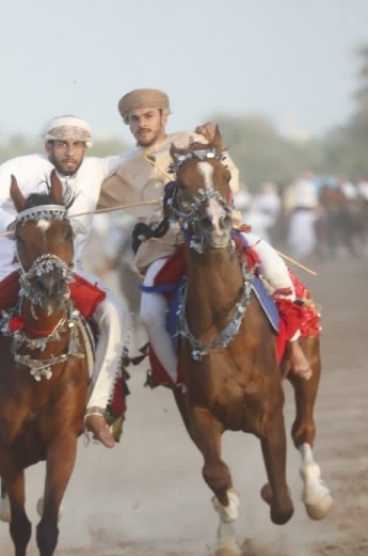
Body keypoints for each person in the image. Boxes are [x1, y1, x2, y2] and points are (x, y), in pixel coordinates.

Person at [99, 89, 312, 384]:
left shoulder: (193, 141)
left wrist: (218, 148)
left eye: (148, 116)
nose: (142, 124)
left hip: (219, 233)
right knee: (148, 314)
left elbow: (229, 178)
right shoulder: (121, 169)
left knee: (273, 266)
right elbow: (90, 200)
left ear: (164, 116)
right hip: (166, 249)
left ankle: (294, 346)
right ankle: (178, 379)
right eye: (134, 119)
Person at [0, 115, 127, 466]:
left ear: (86, 148)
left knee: (115, 314)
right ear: (48, 146)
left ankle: (94, 409)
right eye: (61, 143)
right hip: (11, 269)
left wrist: (182, 141)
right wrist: (15, 225)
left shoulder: (97, 169)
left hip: (69, 273)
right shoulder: (23, 167)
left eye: (77, 144)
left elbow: (142, 154)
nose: (69, 151)